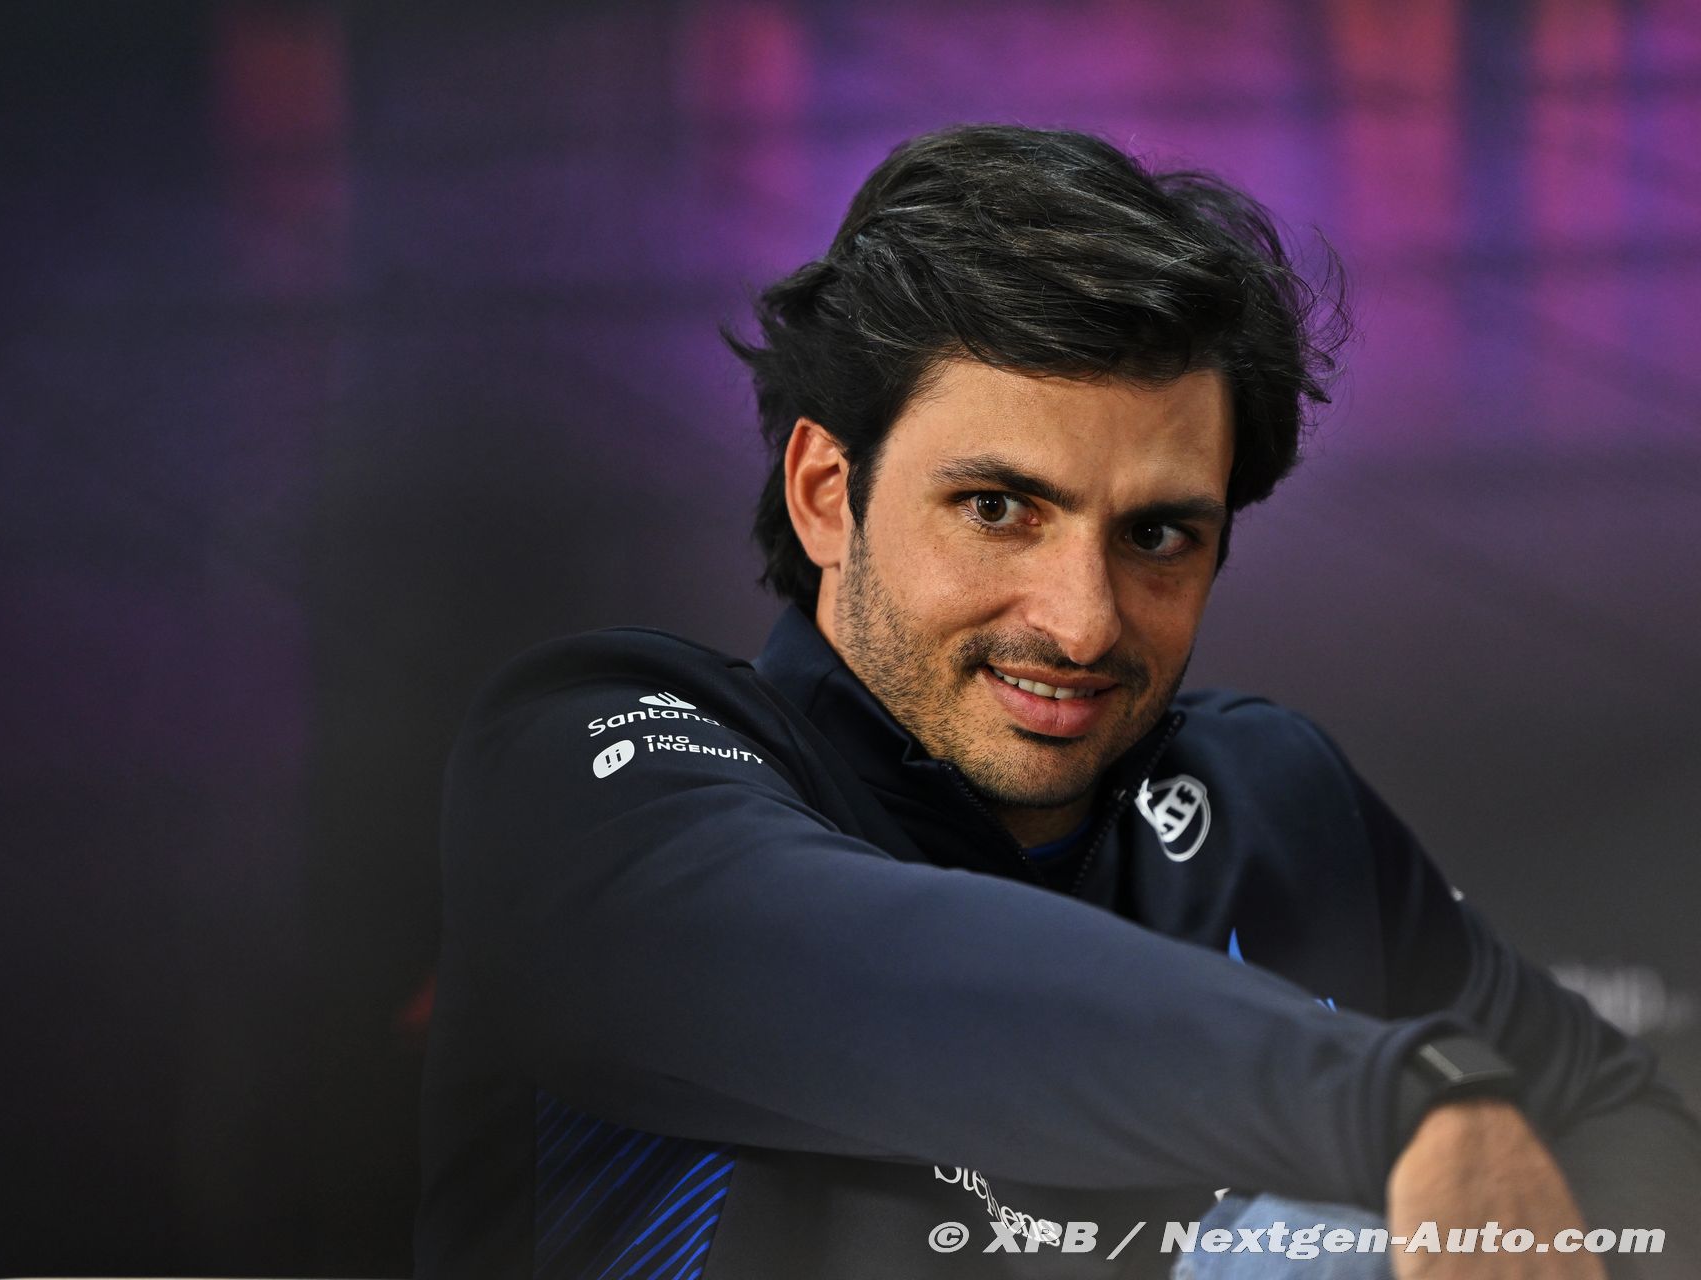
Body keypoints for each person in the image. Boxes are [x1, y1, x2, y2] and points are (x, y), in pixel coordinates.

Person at [412, 125, 1701, 1279]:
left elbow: (1613, 1111)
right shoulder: (591, 766)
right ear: (826, 494)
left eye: (1158, 535)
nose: (1083, 621)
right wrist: (1395, 1105)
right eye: (996, 508)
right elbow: (886, 984)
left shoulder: (1274, 804)